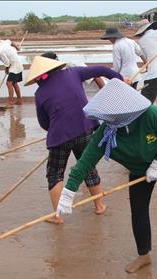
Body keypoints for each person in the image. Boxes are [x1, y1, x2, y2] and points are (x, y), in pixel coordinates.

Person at [56, 79, 157, 273]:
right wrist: (68, 192)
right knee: (138, 210)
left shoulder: (152, 115)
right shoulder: (107, 133)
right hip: (139, 170)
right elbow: (85, 163)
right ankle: (144, 255)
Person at [25, 55, 123, 224]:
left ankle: (57, 216)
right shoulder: (73, 73)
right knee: (87, 166)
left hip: (60, 136)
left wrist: (57, 129)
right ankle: (99, 206)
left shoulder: (40, 93)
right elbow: (103, 69)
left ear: (40, 76)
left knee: (55, 174)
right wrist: (120, 81)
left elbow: (44, 123)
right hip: (85, 128)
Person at [0, 35, 24, 105]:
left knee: (9, 83)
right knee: (14, 83)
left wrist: (7, 68)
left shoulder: (0, 51)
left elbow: (7, 62)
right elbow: (10, 42)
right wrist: (17, 47)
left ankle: (10, 102)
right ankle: (19, 100)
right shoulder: (3, 42)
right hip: (17, 64)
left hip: (15, 66)